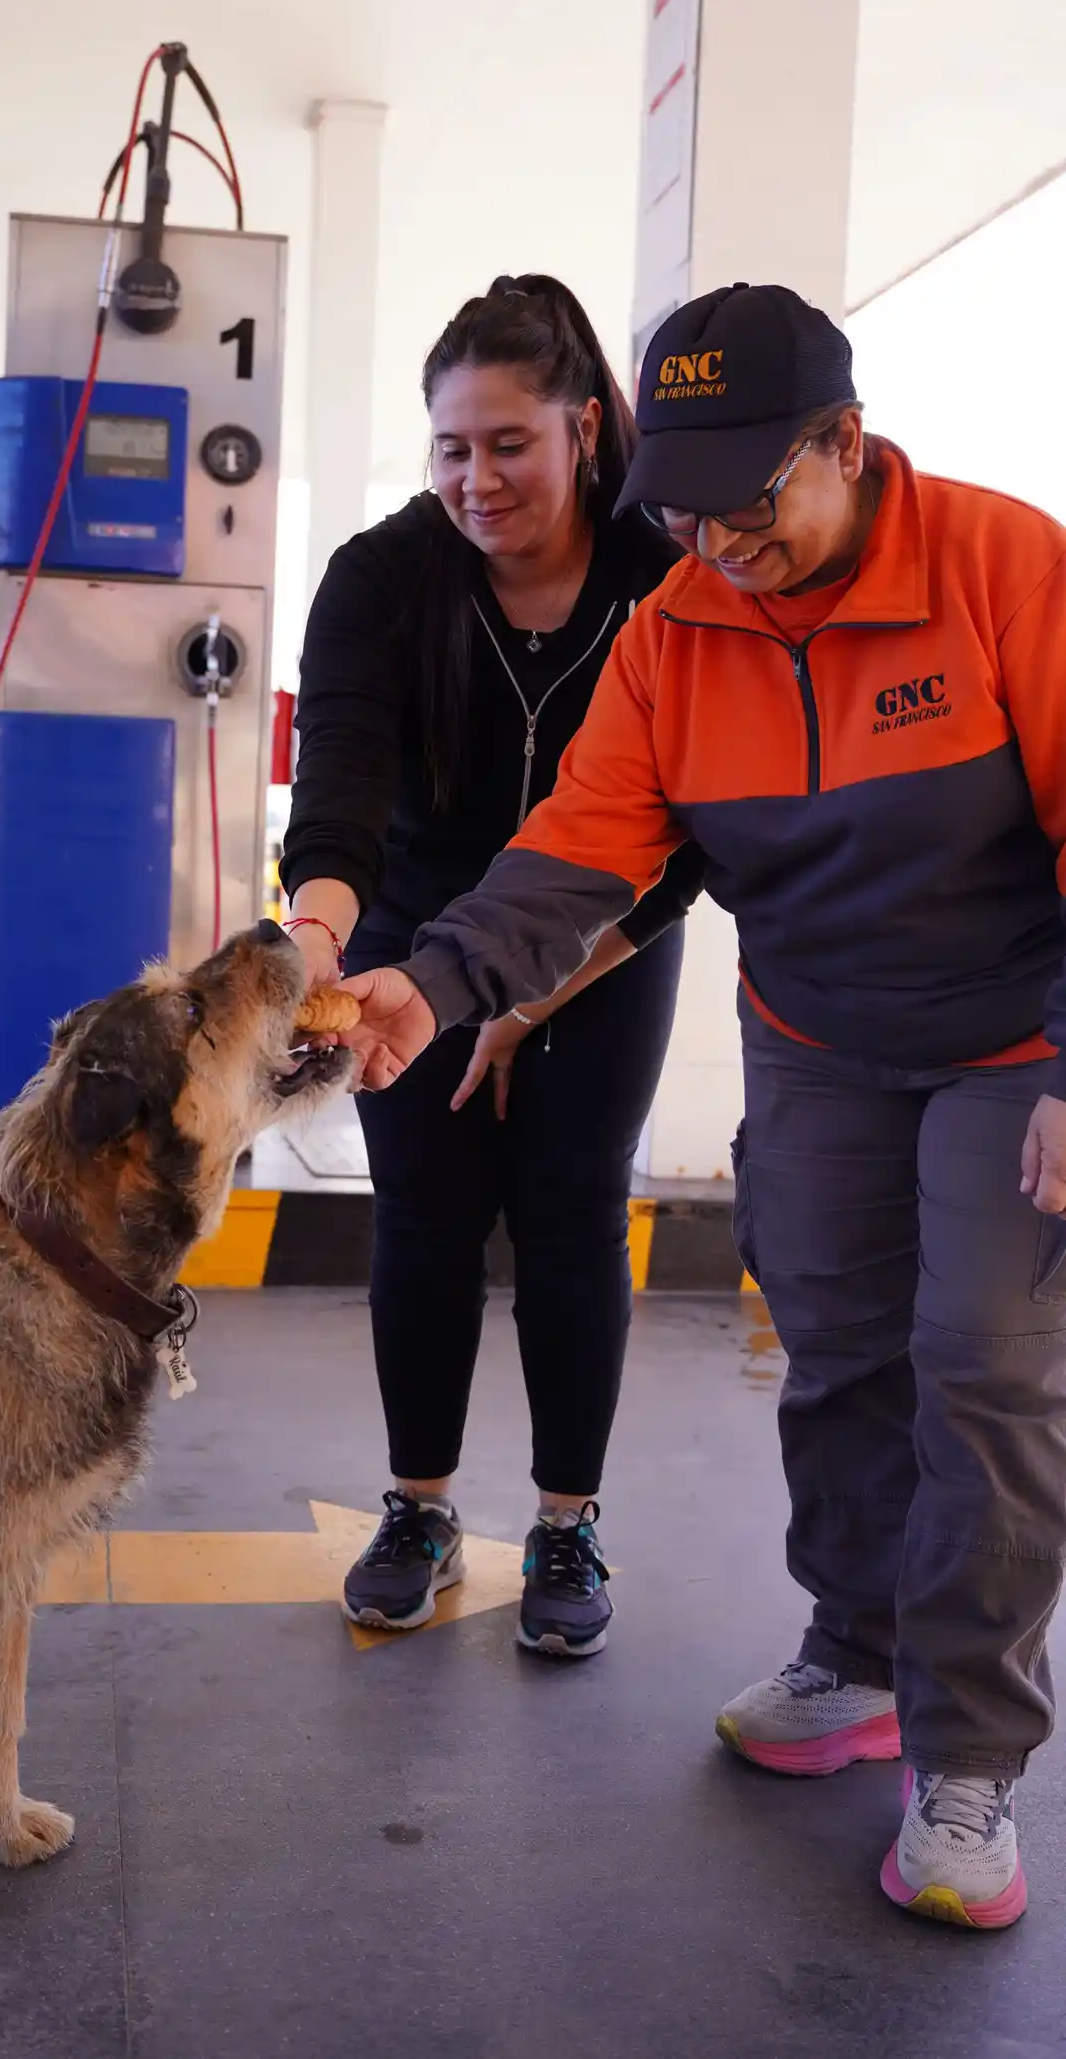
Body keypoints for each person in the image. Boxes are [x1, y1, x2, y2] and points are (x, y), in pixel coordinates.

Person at [336, 280, 1066, 1930]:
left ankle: (970, 1761)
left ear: (848, 446)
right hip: (817, 1033)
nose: (720, 538)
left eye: (755, 499)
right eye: (688, 503)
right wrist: (434, 984)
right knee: (839, 1343)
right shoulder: (678, 628)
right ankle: (860, 1655)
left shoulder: (1004, 566)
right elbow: (583, 850)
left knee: (988, 1377)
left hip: (1013, 1037)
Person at [280, 274, 704, 1656]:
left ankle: (567, 1520)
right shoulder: (383, 578)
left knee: (577, 1210)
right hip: (411, 931)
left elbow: (696, 832)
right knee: (424, 1212)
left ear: (585, 428)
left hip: (612, 935)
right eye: (452, 448)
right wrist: (318, 944)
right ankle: (419, 1506)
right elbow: (339, 793)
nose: (477, 479)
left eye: (509, 443)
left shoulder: (668, 577)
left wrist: (536, 1001)